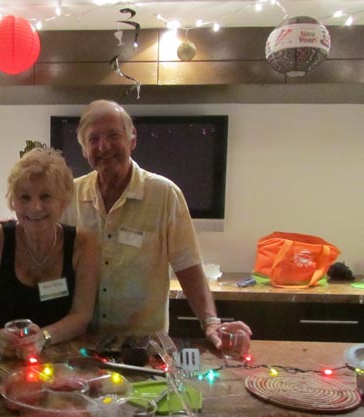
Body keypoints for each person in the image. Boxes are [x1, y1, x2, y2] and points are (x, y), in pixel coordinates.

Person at [62, 99, 251, 348]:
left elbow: (188, 265)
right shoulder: (69, 196)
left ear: (132, 139)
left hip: (146, 348)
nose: (103, 146)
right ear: (84, 150)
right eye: (93, 139)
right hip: (83, 345)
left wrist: (211, 322)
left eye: (113, 135)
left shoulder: (165, 194)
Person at [0, 147, 99, 358]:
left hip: (61, 359)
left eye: (45, 196)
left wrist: (43, 337)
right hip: (1, 357)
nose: (35, 207)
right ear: (13, 202)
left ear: (63, 201)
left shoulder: (83, 244)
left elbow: (81, 316)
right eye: (25, 197)